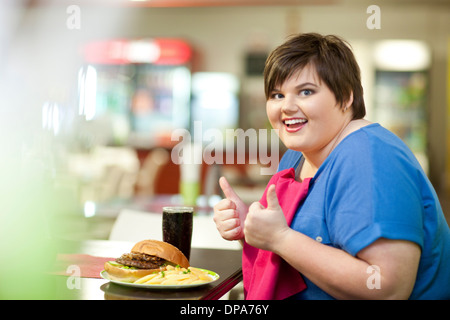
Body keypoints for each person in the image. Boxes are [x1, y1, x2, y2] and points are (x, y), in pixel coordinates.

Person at [213, 33, 450, 300]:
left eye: (306, 91)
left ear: (346, 96)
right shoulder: (297, 155)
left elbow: (388, 289)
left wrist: (280, 238)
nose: (287, 107)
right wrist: (250, 226)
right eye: (277, 94)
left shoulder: (370, 158)